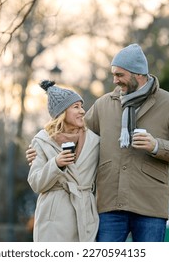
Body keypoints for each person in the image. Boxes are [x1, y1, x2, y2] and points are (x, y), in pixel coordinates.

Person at [27, 44, 169, 242]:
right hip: (109, 205)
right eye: (113, 74)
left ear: (138, 74)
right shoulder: (104, 104)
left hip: (150, 204)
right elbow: (74, 131)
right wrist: (40, 149)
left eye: (119, 75)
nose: (115, 80)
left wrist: (156, 146)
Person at [27, 80, 100, 242]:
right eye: (76, 107)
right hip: (54, 219)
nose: (82, 111)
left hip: (85, 214)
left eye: (81, 106)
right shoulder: (41, 141)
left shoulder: (94, 141)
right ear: (62, 113)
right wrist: (55, 164)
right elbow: (36, 183)